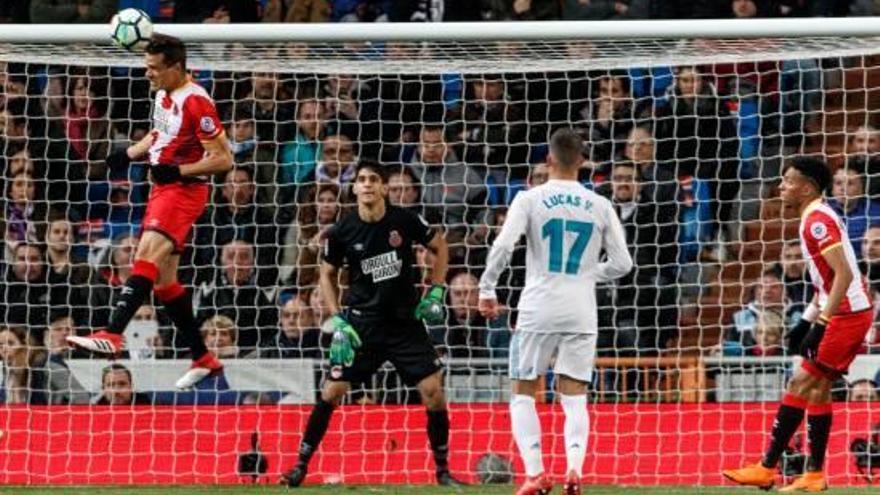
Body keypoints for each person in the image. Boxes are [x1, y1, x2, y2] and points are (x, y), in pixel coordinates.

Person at [66, 34, 234, 391]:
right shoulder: (163, 94)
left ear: (175, 67)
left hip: (184, 191)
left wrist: (178, 171)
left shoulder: (197, 103)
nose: (148, 74)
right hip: (163, 188)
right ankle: (203, 358)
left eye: (154, 68)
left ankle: (112, 332)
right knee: (164, 282)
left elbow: (224, 159)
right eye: (146, 67)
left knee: (144, 255)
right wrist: (126, 155)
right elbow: (160, 134)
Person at [280, 161, 463, 487]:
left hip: (405, 323)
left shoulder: (403, 220)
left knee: (434, 392)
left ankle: (443, 471)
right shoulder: (343, 230)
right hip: (362, 324)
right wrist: (337, 318)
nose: (366, 185)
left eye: (373, 180)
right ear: (354, 188)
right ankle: (300, 465)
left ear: (383, 188)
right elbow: (325, 273)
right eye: (361, 180)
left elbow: (440, 245)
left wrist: (436, 290)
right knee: (332, 391)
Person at [478, 128, 633, 495]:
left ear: (548, 160)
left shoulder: (529, 199)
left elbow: (503, 245)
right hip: (581, 309)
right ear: (583, 162)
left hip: (538, 307)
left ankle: (535, 472)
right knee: (575, 394)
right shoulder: (601, 204)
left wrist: (487, 288)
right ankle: (575, 469)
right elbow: (623, 263)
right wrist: (587, 274)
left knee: (523, 391)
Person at [723, 157, 874, 492]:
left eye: (788, 181)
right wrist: (804, 323)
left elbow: (844, 275)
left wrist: (820, 323)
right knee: (817, 388)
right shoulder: (814, 216)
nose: (781, 186)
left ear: (806, 187)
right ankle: (814, 474)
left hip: (846, 314)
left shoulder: (817, 221)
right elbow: (827, 282)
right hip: (846, 310)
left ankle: (766, 467)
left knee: (800, 383)